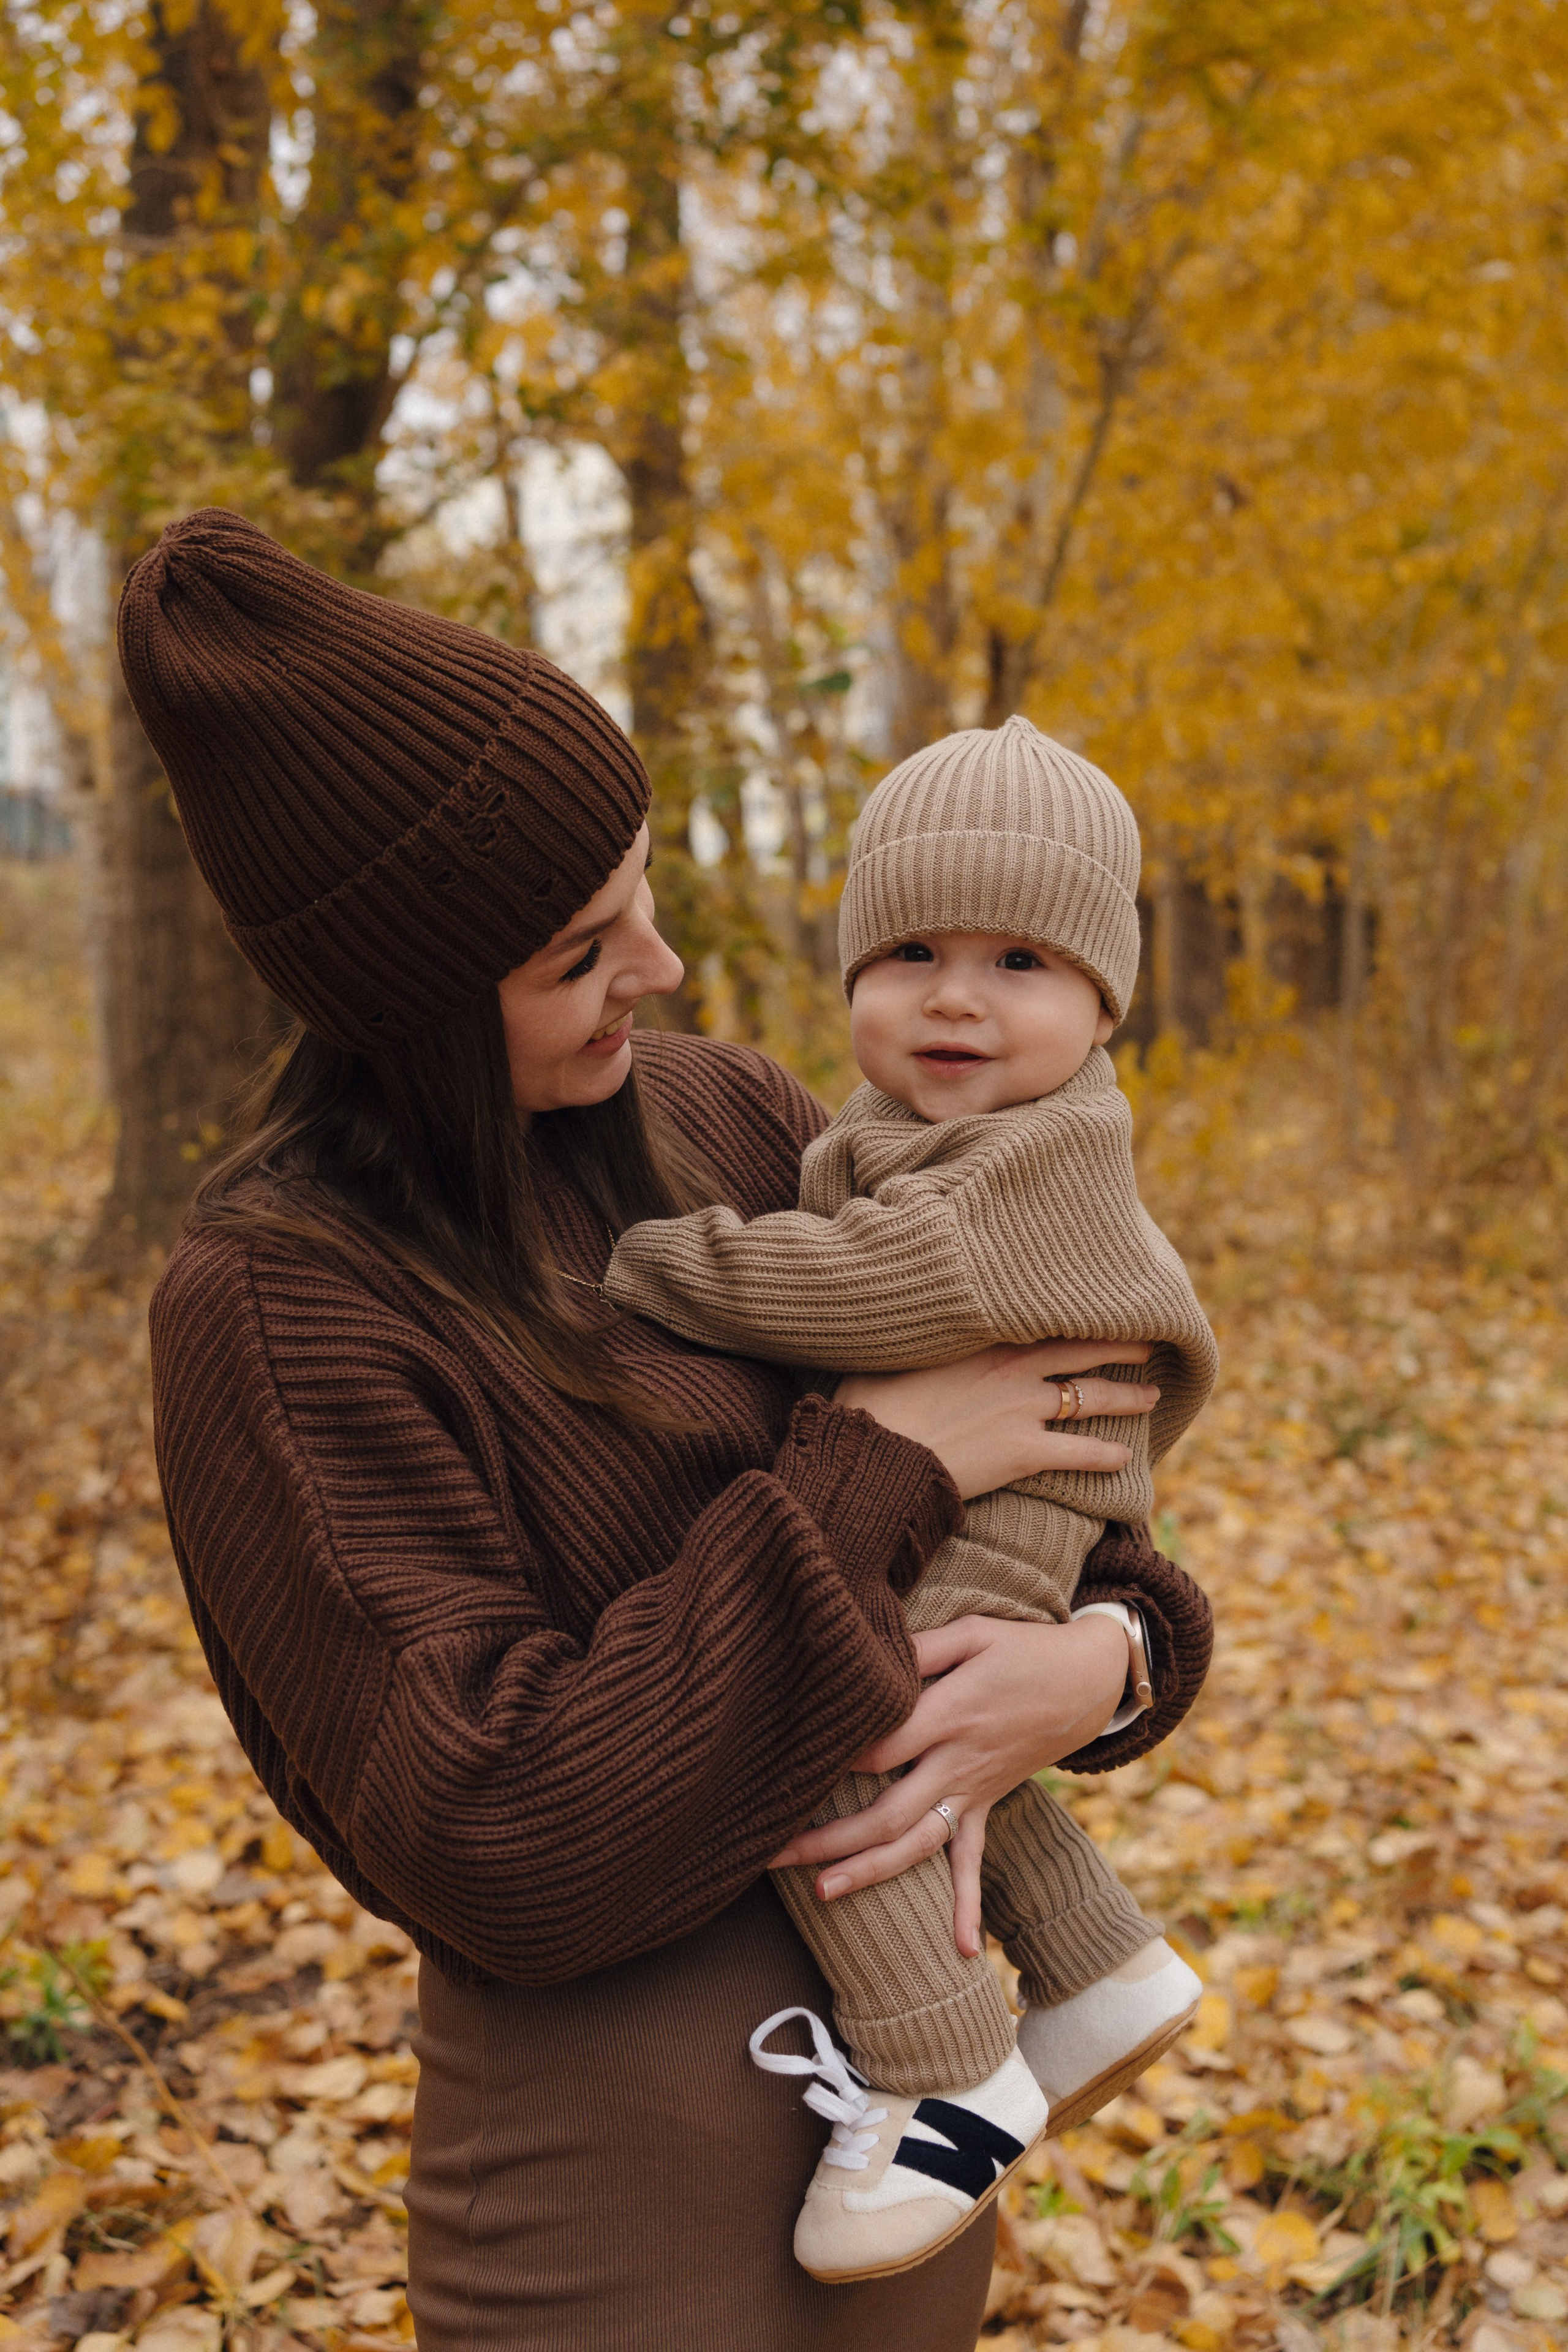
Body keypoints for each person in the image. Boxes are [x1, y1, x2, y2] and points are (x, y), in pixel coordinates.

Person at [119, 508, 1213, 2352]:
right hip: (618, 2206)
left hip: (919, 2135)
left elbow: (1078, 1481)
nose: (668, 967)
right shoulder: (283, 1305)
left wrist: (1103, 1668)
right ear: (409, 1002)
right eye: (581, 948)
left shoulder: (719, 1116)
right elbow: (500, 1834)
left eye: (636, 890)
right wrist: (882, 1459)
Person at [605, 718, 1218, 2282]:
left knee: (832, 1723)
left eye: (1020, 960)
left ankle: (940, 2066)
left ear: (1101, 1004)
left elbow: (885, 1283)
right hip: (1005, 1497)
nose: (955, 995)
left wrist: (656, 1266)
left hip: (1019, 1507)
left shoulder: (1034, 1155)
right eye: (911, 950)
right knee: (960, 1748)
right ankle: (1098, 1969)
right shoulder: (900, 1126)